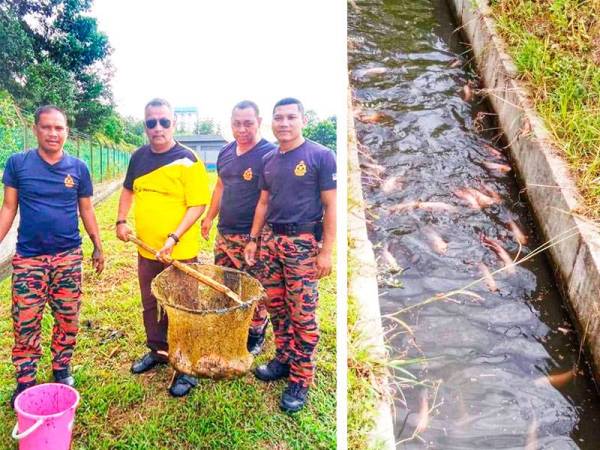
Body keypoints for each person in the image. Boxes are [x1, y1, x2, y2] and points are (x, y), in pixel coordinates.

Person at [0, 105, 104, 407]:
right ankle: (25, 378)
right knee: (25, 319)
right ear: (36, 129)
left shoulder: (79, 168)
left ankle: (62, 367)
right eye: (47, 127)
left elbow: (87, 209)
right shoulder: (18, 164)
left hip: (68, 257)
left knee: (68, 317)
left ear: (66, 132)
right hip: (29, 258)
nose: (53, 133)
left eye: (59, 128)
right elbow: (9, 208)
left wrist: (98, 244)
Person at [244, 97, 336, 413]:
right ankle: (283, 358)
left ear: (303, 121)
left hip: (303, 244)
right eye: (279, 118)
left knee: (303, 314)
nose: (284, 123)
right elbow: (263, 203)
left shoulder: (320, 156)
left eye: (291, 117)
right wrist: (254, 239)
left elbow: (331, 205)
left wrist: (326, 251)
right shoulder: (270, 160)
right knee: (276, 305)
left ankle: (301, 378)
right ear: (272, 121)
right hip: (271, 240)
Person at [115, 98, 209, 397]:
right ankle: (158, 351)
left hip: (178, 252)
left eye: (164, 122)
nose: (158, 128)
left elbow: (198, 205)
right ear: (145, 125)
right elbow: (128, 189)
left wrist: (174, 238)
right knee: (150, 304)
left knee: (182, 308)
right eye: (151, 122)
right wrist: (120, 220)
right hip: (146, 250)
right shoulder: (138, 157)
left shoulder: (189, 159)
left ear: (174, 124)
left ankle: (186, 368)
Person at [201, 100, 276, 355]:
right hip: (225, 232)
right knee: (225, 281)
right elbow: (220, 186)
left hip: (253, 236)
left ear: (259, 122)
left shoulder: (269, 155)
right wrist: (210, 217)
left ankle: (256, 329)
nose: (242, 129)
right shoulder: (226, 152)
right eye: (237, 123)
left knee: (255, 284)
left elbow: (269, 199)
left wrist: (255, 237)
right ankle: (231, 323)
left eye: (248, 123)